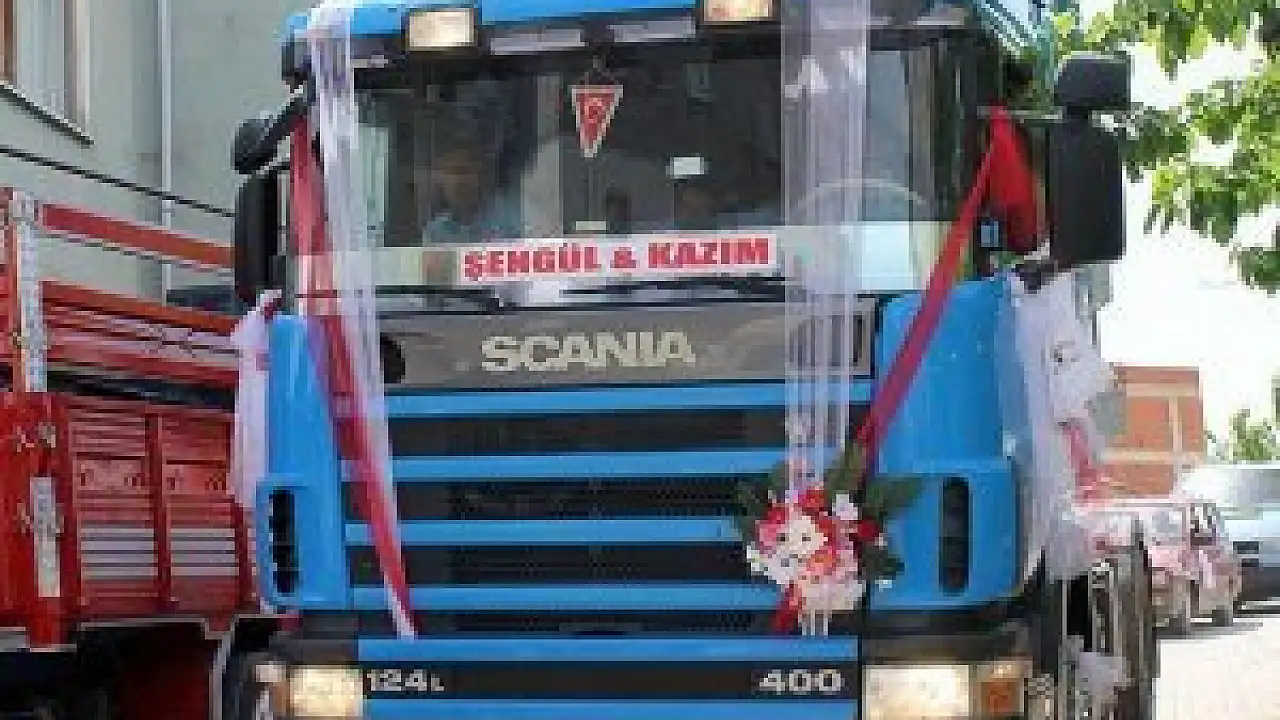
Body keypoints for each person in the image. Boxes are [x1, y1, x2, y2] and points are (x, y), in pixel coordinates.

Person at [420, 144, 520, 244]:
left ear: (480, 177)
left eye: (465, 171)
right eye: (451, 172)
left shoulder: (506, 224)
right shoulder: (434, 232)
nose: (458, 180)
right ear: (442, 181)